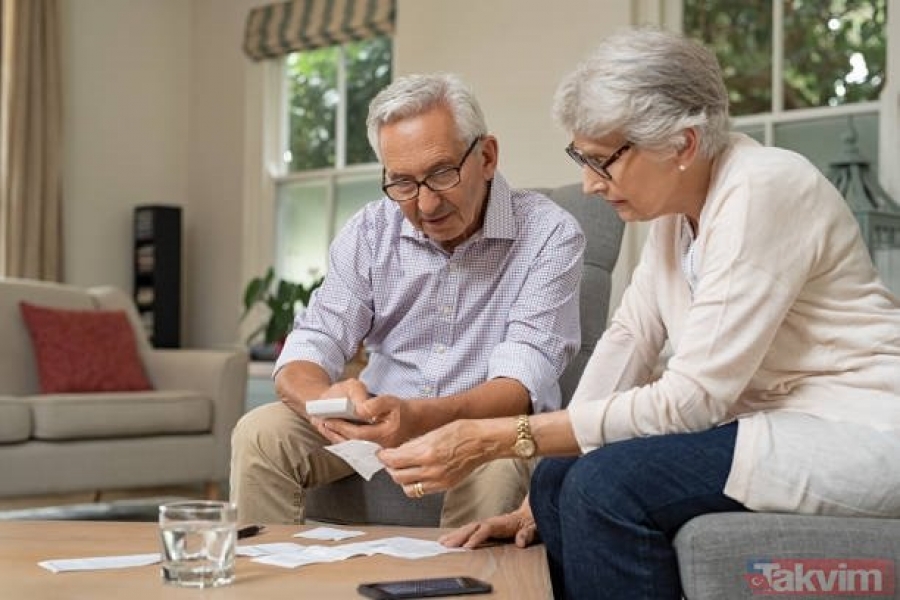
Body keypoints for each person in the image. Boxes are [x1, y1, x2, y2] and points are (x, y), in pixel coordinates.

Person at [377, 28, 900, 599]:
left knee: (607, 487)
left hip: (855, 429)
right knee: (557, 477)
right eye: (582, 158)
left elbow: (693, 398)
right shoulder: (678, 218)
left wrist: (497, 437)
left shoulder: (764, 188)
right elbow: (628, 339)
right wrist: (535, 488)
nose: (588, 183)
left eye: (603, 161)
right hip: (772, 423)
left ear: (683, 144)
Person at [229, 72, 586, 528]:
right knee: (261, 433)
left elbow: (520, 383)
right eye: (402, 183)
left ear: (488, 157)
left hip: (486, 430)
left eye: (441, 174)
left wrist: (417, 418)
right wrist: (325, 399)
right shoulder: (370, 231)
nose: (426, 205)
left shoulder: (550, 234)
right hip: (376, 425)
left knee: (499, 462)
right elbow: (314, 339)